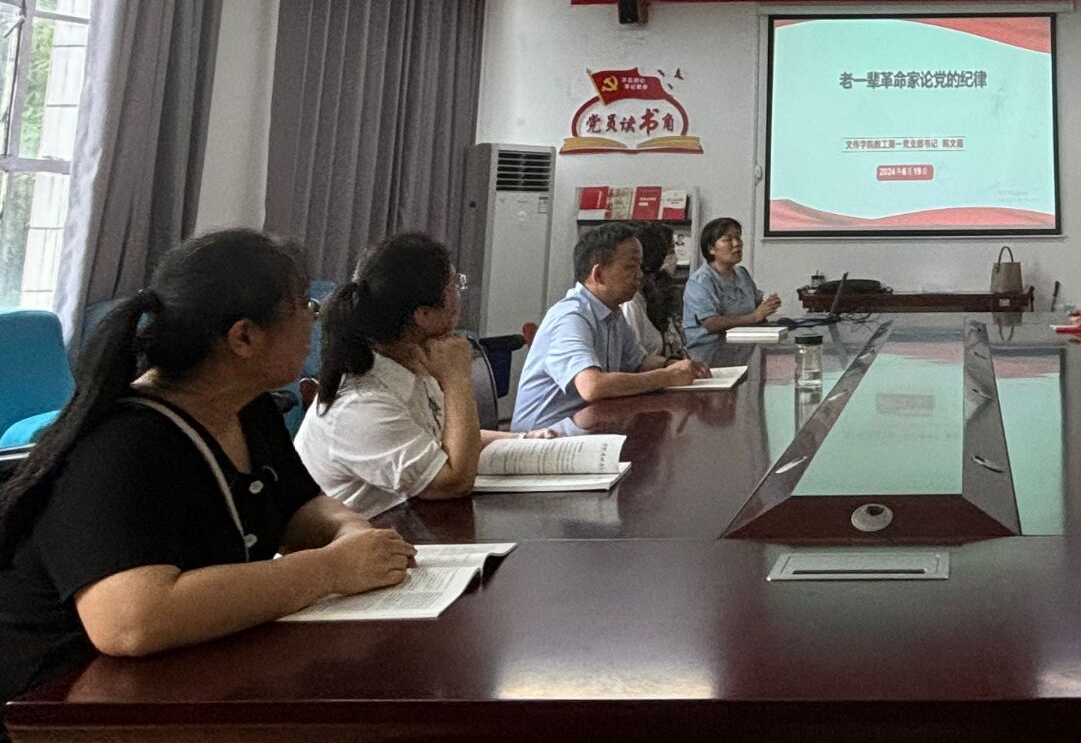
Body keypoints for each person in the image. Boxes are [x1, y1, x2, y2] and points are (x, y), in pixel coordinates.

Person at [0, 230, 416, 706]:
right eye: (304, 306)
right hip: (60, 706)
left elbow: (301, 506)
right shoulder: (121, 443)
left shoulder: (249, 408)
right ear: (244, 337)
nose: (314, 319)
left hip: (187, 677)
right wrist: (329, 570)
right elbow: (131, 621)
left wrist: (352, 534)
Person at [295, 232, 532, 516]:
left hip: (403, 525)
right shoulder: (362, 402)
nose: (458, 294)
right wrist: (457, 380)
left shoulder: (414, 362)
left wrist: (525, 440)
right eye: (453, 285)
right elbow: (452, 482)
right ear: (423, 314)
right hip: (357, 538)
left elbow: (445, 438)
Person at [512, 224, 709, 434]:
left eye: (640, 266)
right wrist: (667, 376)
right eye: (630, 267)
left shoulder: (612, 313)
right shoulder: (571, 317)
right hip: (543, 438)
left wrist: (673, 364)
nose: (640, 275)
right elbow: (592, 386)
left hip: (585, 425)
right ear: (598, 275)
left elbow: (640, 363)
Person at [682, 217, 781, 336]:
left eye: (738, 238)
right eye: (728, 240)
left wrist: (768, 306)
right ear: (711, 249)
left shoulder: (742, 273)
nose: (737, 244)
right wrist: (754, 317)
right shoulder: (700, 281)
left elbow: (757, 309)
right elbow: (710, 323)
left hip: (744, 341)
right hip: (711, 345)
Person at [618, 222, 689, 360]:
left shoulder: (650, 294)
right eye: (669, 251)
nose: (673, 256)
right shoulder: (630, 302)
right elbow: (633, 361)